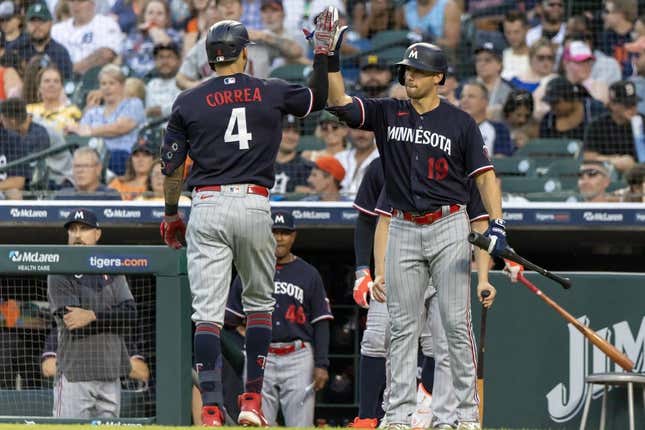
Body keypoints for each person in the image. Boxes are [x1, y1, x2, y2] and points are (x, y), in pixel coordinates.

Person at [159, 13, 334, 426]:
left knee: (207, 314)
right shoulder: (269, 90)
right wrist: (323, 54)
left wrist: (170, 214)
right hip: (255, 203)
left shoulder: (187, 100)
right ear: (242, 54)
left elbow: (171, 168)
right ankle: (252, 402)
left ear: (210, 58)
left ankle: (213, 407)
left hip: (207, 204)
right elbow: (317, 98)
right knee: (258, 306)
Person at [327, 33, 508, 430]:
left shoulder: (460, 122)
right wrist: (330, 58)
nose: (409, 76)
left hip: (448, 224)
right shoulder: (388, 112)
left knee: (454, 325)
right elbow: (338, 103)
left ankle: (463, 416)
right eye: (406, 70)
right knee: (401, 328)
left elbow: (485, 177)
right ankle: (397, 416)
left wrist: (497, 224)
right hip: (404, 227)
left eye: (418, 71)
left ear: (438, 77)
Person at [224, 211, 332, 426]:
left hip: (298, 356)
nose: (279, 238)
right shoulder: (250, 270)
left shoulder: (308, 274)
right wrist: (242, 349)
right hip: (261, 356)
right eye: (274, 232)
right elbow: (228, 321)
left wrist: (322, 363)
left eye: (285, 232)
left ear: (294, 236)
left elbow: (321, 322)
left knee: (300, 424)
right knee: (259, 421)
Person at [47, 208, 137, 418]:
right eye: (73, 230)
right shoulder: (60, 269)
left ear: (97, 234)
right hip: (74, 375)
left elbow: (130, 314)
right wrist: (110, 315)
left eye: (84, 229)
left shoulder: (113, 269)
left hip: (110, 374)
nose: (77, 235)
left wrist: (91, 316)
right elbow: (72, 321)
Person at [66, 64, 146, 176]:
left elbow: (120, 127)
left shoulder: (133, 104)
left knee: (115, 157)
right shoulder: (93, 112)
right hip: (93, 159)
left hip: (123, 158)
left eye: (112, 83)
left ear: (122, 85)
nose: (107, 87)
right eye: (103, 84)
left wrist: (91, 131)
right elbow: (81, 135)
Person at [51, 0, 124, 76]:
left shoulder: (106, 23)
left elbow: (106, 54)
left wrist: (72, 69)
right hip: (61, 80)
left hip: (95, 78)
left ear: (92, 3)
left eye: (81, 1)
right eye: (72, 1)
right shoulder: (56, 30)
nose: (75, 5)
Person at [584, 80, 641, 174]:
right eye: (627, 105)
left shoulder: (642, 122)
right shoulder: (597, 126)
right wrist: (614, 161)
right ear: (612, 105)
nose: (632, 109)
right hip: (606, 174)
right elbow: (588, 157)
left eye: (634, 104)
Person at [123, 0, 183, 78]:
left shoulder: (174, 35)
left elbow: (169, 50)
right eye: (150, 13)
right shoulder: (135, 35)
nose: (154, 17)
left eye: (159, 13)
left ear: (166, 18)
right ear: (144, 16)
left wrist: (153, 30)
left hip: (159, 78)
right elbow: (127, 57)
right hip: (134, 78)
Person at [539, 76, 605, 141]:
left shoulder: (596, 111)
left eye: (555, 102)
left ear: (570, 97)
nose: (552, 107)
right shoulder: (547, 121)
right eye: (550, 103)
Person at [20, 2, 74, 82]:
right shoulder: (17, 49)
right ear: (26, 25)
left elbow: (66, 83)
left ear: (51, 23)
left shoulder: (60, 53)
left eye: (42, 22)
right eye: (33, 22)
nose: (37, 26)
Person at [460, 80, 514, 157]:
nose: (464, 100)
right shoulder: (450, 128)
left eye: (471, 96)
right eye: (462, 96)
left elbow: (502, 161)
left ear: (485, 102)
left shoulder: (499, 129)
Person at [27, 65, 82, 134]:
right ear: (39, 88)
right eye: (47, 81)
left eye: (56, 81)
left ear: (61, 87)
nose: (51, 85)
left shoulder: (73, 111)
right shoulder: (28, 110)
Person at [55, 147, 122, 200]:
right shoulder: (63, 196)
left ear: (98, 169)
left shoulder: (110, 197)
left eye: (85, 166)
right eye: (77, 166)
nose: (80, 171)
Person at [271, 114, 314, 195]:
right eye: (286, 131)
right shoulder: (263, 165)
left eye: (296, 132)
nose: (291, 136)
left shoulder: (308, 168)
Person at [473, 40, 513, 121]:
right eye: (478, 60)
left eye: (487, 60)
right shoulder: (465, 87)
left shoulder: (510, 90)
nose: (482, 64)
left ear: (499, 65)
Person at [108, 133, 157, 200]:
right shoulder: (118, 183)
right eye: (136, 156)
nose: (140, 160)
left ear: (153, 159)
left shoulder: (158, 185)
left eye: (145, 155)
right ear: (131, 160)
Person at [562, 40, 608, 104]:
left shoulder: (599, 86)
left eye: (588, 62)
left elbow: (600, 104)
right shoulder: (556, 85)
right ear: (566, 63)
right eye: (580, 62)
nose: (586, 66)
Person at [145, 42, 182, 120]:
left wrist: (161, 111)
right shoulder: (151, 85)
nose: (165, 62)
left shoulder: (184, 82)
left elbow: (182, 108)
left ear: (178, 61)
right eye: (161, 57)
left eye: (169, 57)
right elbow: (148, 112)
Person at [335, 127, 379, 194]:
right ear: (348, 130)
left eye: (366, 128)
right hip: (339, 203)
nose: (361, 134)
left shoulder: (386, 159)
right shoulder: (339, 158)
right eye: (356, 128)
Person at [600, 0, 636, 77]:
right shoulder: (605, 37)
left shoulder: (638, 35)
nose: (603, 15)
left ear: (621, 14)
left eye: (607, 11)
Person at [501, 10, 530, 81]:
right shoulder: (502, 55)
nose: (512, 37)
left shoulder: (535, 56)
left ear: (527, 30)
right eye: (508, 32)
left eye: (516, 32)